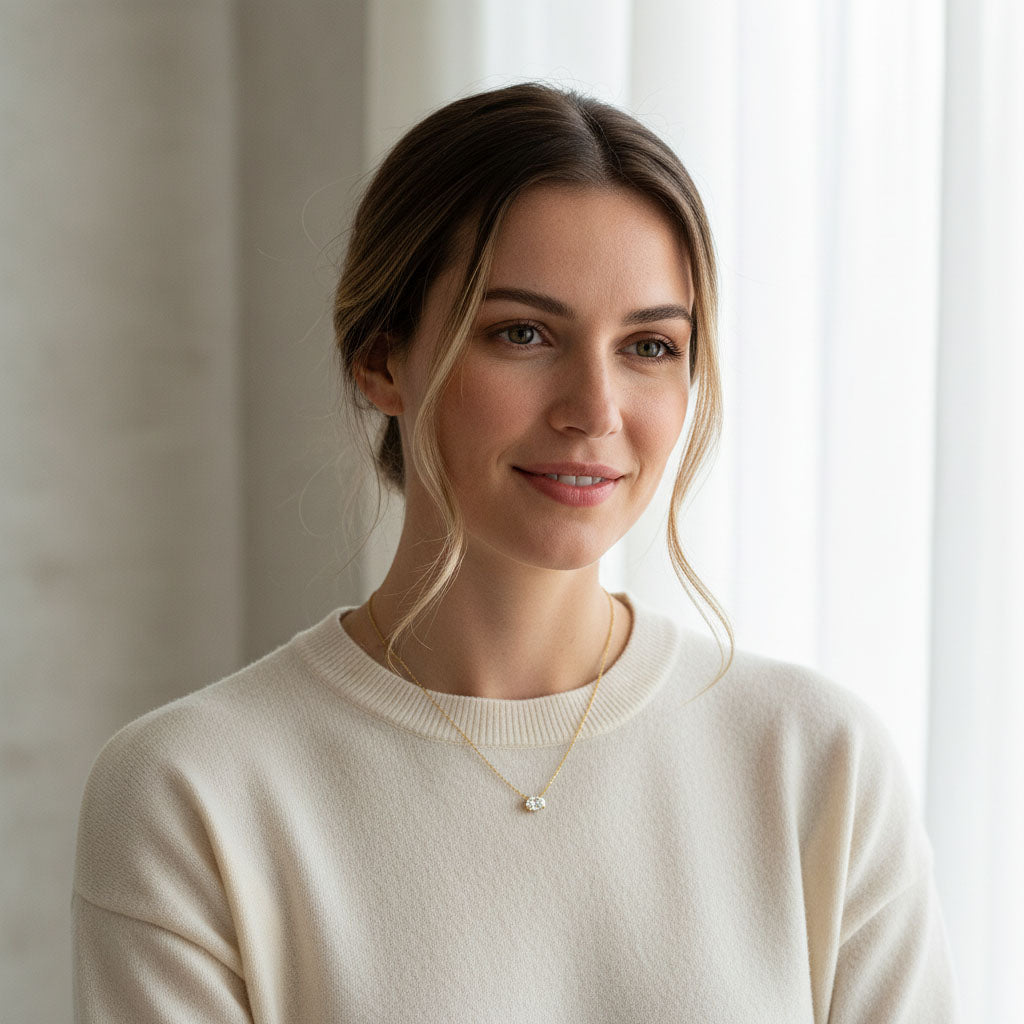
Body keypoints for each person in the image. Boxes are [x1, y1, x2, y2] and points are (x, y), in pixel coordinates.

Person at [72, 82, 961, 1022]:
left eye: (650, 346)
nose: (596, 410)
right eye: (523, 334)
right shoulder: (194, 790)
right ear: (380, 358)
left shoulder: (817, 764)